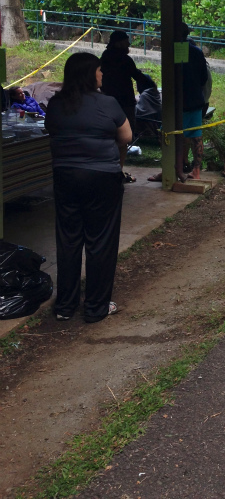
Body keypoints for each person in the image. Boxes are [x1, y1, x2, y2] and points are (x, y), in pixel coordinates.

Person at [45, 52, 132, 322]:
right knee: (100, 241)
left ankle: (65, 306)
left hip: (65, 177)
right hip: (102, 178)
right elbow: (126, 136)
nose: (102, 74)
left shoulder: (56, 104)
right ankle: (96, 307)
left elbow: (51, 130)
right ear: (89, 74)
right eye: (98, 70)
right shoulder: (108, 103)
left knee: (69, 239)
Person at [100, 30, 155, 182]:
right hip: (123, 104)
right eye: (125, 41)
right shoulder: (124, 59)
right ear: (118, 43)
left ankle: (109, 171)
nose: (128, 44)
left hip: (107, 102)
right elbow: (136, 75)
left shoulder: (105, 57)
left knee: (109, 138)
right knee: (123, 140)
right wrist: (151, 83)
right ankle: (119, 171)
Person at [179, 22, 209, 181]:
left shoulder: (179, 51)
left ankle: (172, 169)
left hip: (180, 102)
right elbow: (204, 77)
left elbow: (177, 77)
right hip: (195, 99)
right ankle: (195, 170)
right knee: (195, 136)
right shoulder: (196, 52)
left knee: (169, 135)